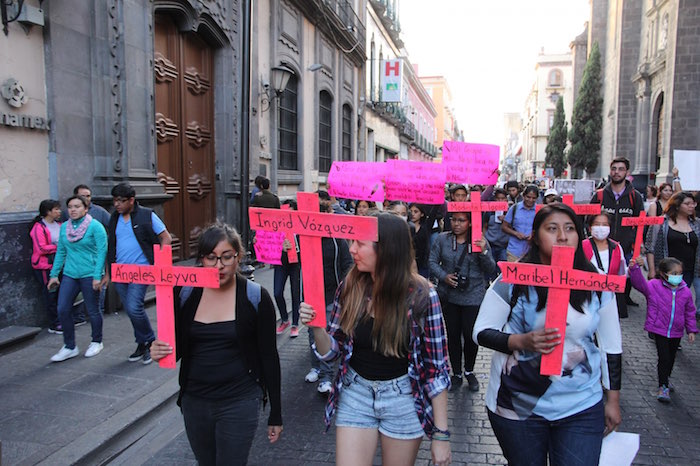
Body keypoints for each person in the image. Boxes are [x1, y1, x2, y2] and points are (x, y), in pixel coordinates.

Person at [473, 203, 623, 466]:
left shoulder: (597, 282)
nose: (563, 236)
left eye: (570, 229)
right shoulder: (513, 279)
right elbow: (481, 332)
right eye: (552, 229)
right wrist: (519, 341)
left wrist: (612, 400)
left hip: (581, 404)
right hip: (517, 406)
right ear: (535, 235)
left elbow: (611, 346)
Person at [299, 213, 452, 466]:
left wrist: (441, 435)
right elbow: (331, 352)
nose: (351, 249)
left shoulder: (423, 295)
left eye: (360, 243)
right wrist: (317, 328)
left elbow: (437, 369)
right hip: (355, 393)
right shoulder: (350, 286)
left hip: (404, 397)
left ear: (386, 249)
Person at [150, 224, 283, 465]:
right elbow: (177, 348)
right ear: (201, 259)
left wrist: (276, 412)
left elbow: (269, 357)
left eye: (226, 257)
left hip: (239, 402)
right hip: (195, 402)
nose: (219, 265)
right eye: (211, 258)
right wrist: (159, 350)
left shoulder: (256, 297)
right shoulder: (186, 293)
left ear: (238, 257)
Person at [106, 182, 172, 364]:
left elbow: (165, 237)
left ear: (131, 200)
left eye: (121, 201)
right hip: (120, 271)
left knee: (134, 307)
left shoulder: (147, 215)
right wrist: (108, 271)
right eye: (115, 201)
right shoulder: (114, 218)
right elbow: (111, 244)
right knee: (130, 309)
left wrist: (159, 262)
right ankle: (142, 342)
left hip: (141, 271)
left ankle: (150, 341)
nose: (117, 204)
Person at [429, 211, 495, 391]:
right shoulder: (442, 239)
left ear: (470, 222)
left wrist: (483, 251)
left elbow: (490, 268)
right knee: (453, 335)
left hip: (473, 296)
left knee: (470, 335)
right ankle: (456, 372)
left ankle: (469, 371)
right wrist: (444, 277)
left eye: (461, 220)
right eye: (454, 219)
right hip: (450, 295)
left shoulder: (479, 240)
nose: (457, 224)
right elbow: (432, 262)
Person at [48, 195, 108, 362]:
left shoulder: (96, 226)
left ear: (86, 209)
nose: (73, 210)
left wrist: (98, 276)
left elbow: (102, 251)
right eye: (70, 207)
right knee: (63, 308)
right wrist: (54, 275)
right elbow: (61, 251)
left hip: (90, 274)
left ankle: (97, 341)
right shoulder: (64, 227)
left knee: (93, 310)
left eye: (77, 206)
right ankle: (69, 346)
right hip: (70, 274)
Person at [628, 256, 697, 402]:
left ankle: (666, 377)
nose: (677, 277)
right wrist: (635, 269)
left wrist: (691, 330)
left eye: (679, 274)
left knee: (671, 357)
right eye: (674, 273)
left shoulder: (685, 291)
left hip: (676, 331)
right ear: (664, 274)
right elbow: (639, 284)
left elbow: (689, 312)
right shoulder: (654, 286)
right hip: (659, 329)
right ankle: (663, 385)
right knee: (664, 357)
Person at [305, 197, 354, 394]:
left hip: (332, 295)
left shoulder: (337, 240)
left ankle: (326, 377)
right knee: (312, 333)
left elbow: (348, 264)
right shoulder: (304, 237)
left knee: (326, 334)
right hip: (310, 295)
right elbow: (290, 260)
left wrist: (344, 289)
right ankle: (315, 367)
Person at [590, 157, 644, 307]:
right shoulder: (599, 195)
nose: (617, 172)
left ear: (627, 172)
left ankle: (623, 301)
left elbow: (641, 222)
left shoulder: (635, 197)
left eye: (621, 169)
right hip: (601, 246)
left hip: (626, 246)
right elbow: (589, 219)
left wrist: (637, 244)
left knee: (625, 276)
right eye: (614, 169)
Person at [645, 191, 700, 313]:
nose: (691, 206)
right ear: (677, 205)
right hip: (666, 271)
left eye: (693, 203)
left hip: (689, 271)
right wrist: (652, 270)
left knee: (680, 302)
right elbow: (650, 247)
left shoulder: (697, 223)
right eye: (687, 204)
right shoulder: (661, 222)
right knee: (665, 303)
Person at [583, 213, 628, 318]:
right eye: (597, 224)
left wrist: (634, 268)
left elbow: (623, 273)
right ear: (590, 228)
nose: (601, 228)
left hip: (609, 298)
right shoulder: (582, 246)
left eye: (604, 224)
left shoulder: (616, 248)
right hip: (587, 297)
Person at [30, 199, 63, 334]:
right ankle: (53, 323)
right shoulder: (39, 227)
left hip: (60, 263)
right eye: (56, 209)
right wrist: (58, 247)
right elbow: (41, 248)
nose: (59, 211)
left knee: (61, 293)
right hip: (45, 266)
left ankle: (61, 319)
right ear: (48, 212)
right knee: (50, 293)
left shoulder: (60, 225)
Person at [273, 199, 301, 338]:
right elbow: (268, 242)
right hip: (281, 263)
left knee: (296, 294)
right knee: (277, 292)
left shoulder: (301, 227)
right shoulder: (277, 227)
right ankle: (285, 319)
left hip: (296, 264)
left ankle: (295, 324)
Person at [501, 185, 539, 262]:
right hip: (514, 250)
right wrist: (516, 234)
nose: (530, 200)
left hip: (532, 251)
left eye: (533, 198)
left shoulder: (539, 210)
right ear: (523, 196)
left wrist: (533, 235)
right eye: (528, 197)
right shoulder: (514, 208)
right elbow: (504, 227)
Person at [483, 188, 510, 280]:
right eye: (498, 198)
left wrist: (506, 220)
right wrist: (485, 238)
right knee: (490, 267)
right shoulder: (489, 212)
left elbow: (514, 227)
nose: (500, 201)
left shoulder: (510, 212)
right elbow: (485, 226)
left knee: (503, 269)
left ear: (506, 199)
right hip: (491, 244)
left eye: (502, 198)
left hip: (503, 245)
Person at [409, 203, 440, 279]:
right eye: (411, 211)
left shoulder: (426, 226)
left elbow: (433, 212)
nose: (413, 214)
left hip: (423, 263)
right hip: (408, 262)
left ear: (422, 214)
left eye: (416, 212)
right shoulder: (405, 226)